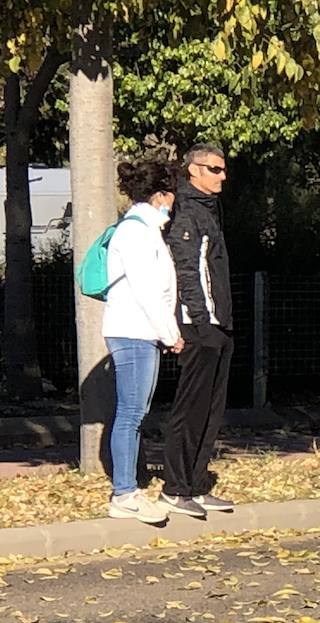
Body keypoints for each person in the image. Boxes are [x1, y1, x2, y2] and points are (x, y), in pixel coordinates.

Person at [102, 159, 182, 525]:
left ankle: (129, 489)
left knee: (135, 413)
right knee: (131, 413)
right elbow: (148, 291)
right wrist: (170, 333)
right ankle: (124, 493)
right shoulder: (136, 233)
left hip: (140, 331)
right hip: (134, 331)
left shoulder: (144, 230)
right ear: (161, 195)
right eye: (171, 196)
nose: (173, 203)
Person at [160, 143, 235, 519]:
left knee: (211, 410)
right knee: (190, 408)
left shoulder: (208, 210)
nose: (223, 176)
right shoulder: (187, 212)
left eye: (223, 169)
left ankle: (197, 483)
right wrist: (201, 323)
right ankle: (175, 487)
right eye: (215, 170)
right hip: (199, 326)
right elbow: (187, 272)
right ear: (194, 171)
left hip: (219, 324)